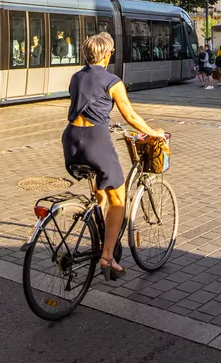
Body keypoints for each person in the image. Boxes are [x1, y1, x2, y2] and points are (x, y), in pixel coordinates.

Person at [62, 32, 164, 279]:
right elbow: (129, 115)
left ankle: (97, 229)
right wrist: (153, 133)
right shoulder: (112, 80)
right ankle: (107, 257)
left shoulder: (76, 77)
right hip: (96, 141)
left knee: (100, 192)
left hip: (71, 140)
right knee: (118, 198)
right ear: (107, 54)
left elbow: (85, 103)